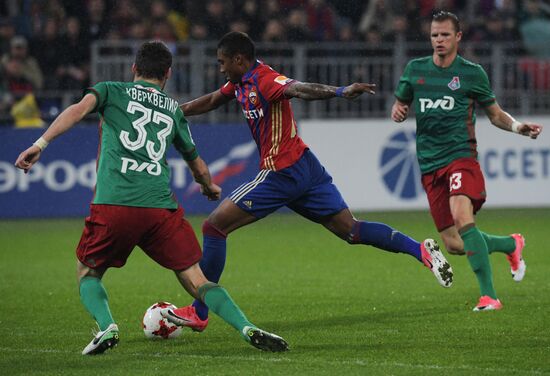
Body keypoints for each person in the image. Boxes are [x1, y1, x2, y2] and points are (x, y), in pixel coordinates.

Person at [160, 31, 454, 331]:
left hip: (280, 172)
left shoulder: (264, 79)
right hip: (305, 168)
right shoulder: (239, 82)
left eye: (223, 63)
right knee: (351, 230)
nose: (221, 68)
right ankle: (420, 250)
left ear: (239, 59)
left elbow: (300, 90)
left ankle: (200, 311)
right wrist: (176, 110)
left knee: (214, 226)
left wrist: (339, 91)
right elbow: (212, 99)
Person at [14, 41, 288, 355]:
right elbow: (196, 162)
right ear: (168, 74)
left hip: (115, 203)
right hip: (160, 209)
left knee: (87, 272)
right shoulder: (172, 109)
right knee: (197, 279)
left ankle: (107, 327)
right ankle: (245, 326)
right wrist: (209, 186)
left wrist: (41, 143)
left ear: (134, 68)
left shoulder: (110, 90)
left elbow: (77, 111)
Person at [391, 11, 543, 311]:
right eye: (435, 35)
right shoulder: (415, 69)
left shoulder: (472, 73)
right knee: (454, 243)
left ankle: (489, 297)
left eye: (445, 35)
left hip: (461, 157)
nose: (439, 40)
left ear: (458, 37)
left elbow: (495, 113)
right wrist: (398, 110)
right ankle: (510, 244)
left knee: (463, 218)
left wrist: (517, 127)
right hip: (429, 164)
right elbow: (401, 101)